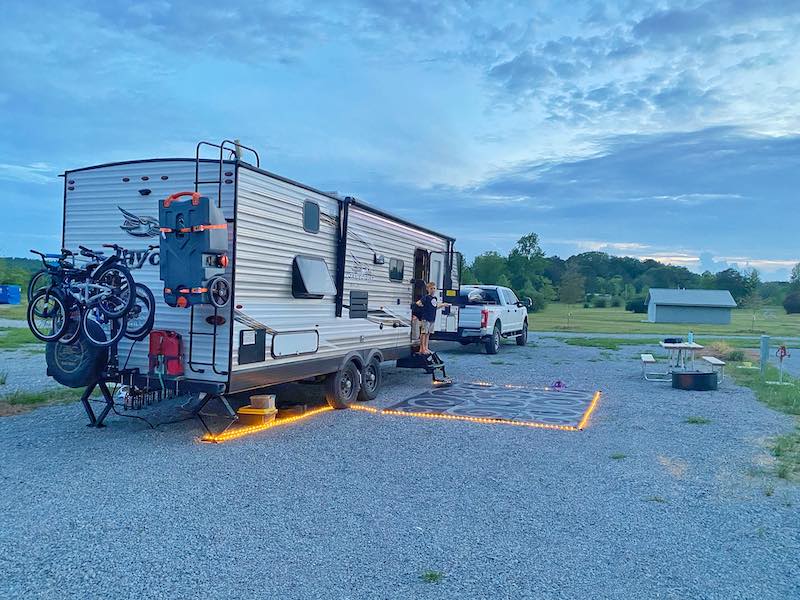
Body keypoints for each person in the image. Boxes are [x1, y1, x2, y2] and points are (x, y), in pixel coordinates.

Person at [415, 282, 449, 355]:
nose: (433, 290)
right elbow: (418, 303)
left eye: (434, 288)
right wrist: (422, 306)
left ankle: (426, 347)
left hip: (432, 318)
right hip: (426, 318)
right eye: (431, 289)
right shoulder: (426, 297)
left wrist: (443, 305)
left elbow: (435, 307)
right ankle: (422, 348)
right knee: (424, 333)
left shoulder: (434, 298)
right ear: (428, 289)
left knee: (428, 333)